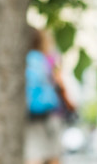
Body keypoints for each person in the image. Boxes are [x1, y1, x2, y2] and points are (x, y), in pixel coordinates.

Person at [25, 26, 67, 164]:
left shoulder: (24, 60)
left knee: (33, 154)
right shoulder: (49, 59)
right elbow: (60, 84)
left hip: (30, 115)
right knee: (53, 155)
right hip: (52, 114)